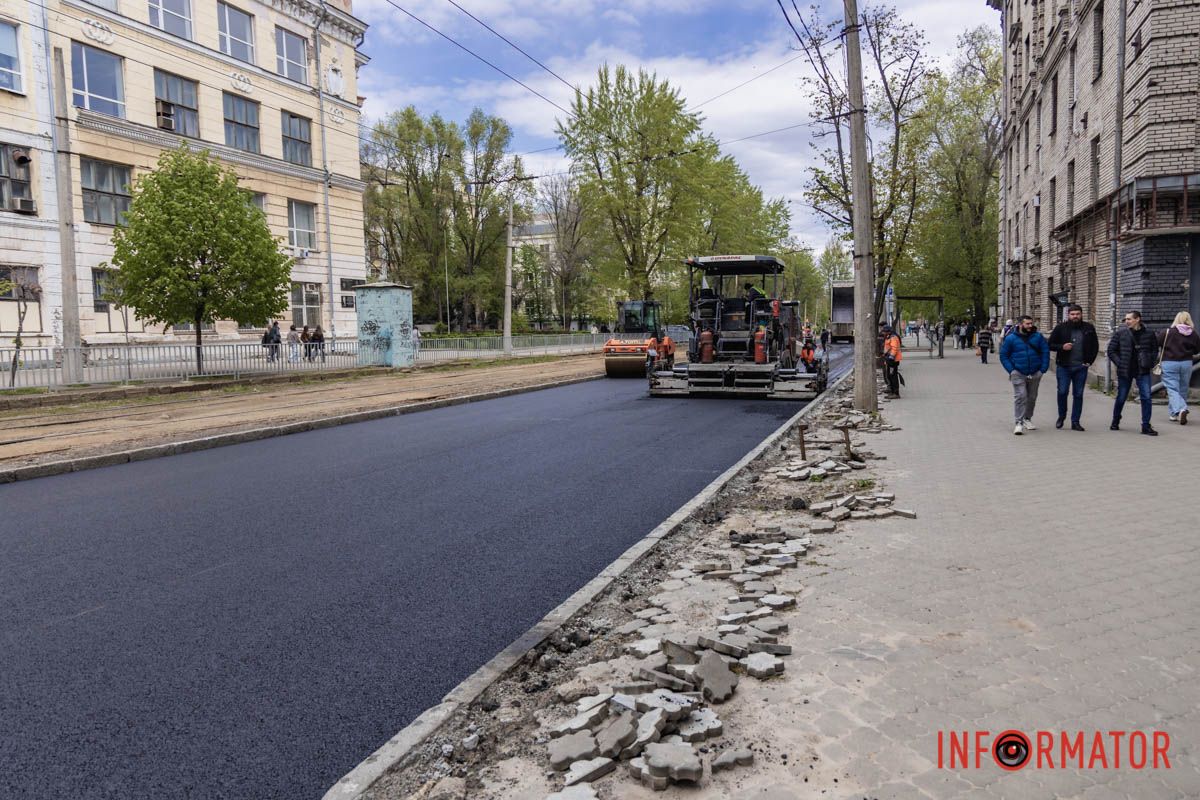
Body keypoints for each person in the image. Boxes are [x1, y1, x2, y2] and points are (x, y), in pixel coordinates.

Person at [1108, 310, 1160, 435]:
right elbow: (1111, 350)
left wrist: (1151, 362)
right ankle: (1115, 420)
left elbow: (1155, 350)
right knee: (1121, 397)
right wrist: (1120, 363)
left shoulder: (1149, 334)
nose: (1127, 321)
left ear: (1137, 319)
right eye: (1126, 319)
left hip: (1142, 371)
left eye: (1129, 319)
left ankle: (1146, 426)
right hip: (1125, 371)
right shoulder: (1121, 334)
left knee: (1146, 398)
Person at [1047, 304, 1099, 431]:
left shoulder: (1088, 328)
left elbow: (1095, 346)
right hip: (1064, 366)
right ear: (1068, 315)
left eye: (1077, 314)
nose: (1075, 316)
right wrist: (1062, 347)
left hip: (1081, 367)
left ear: (1081, 314)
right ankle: (1061, 416)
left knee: (1078, 394)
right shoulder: (1061, 328)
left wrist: (1089, 362)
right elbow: (1050, 344)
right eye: (1072, 314)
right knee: (1063, 392)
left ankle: (1075, 421)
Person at [999, 315, 1049, 435]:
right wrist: (1011, 370)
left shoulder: (1038, 337)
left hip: (1035, 372)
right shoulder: (1011, 338)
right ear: (1020, 324)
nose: (1030, 326)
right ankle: (1018, 422)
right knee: (1021, 396)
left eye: (1031, 323)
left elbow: (1045, 352)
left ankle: (1027, 419)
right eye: (1027, 324)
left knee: (1032, 397)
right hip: (1018, 372)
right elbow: (1003, 355)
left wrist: (1042, 369)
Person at [1157, 311, 1200, 424]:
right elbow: (1197, 350)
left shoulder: (1167, 332)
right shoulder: (1193, 334)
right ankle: (1174, 414)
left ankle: (1181, 409)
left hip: (1169, 362)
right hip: (1186, 363)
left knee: (1172, 388)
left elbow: (1158, 343)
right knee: (1183, 388)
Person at [881, 324, 902, 397]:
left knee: (892, 376)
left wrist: (891, 357)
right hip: (890, 359)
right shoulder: (889, 337)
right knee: (890, 375)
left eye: (884, 332)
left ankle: (895, 393)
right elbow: (888, 347)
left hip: (893, 361)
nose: (883, 333)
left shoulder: (893, 337)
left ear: (888, 332)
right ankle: (892, 392)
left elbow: (894, 348)